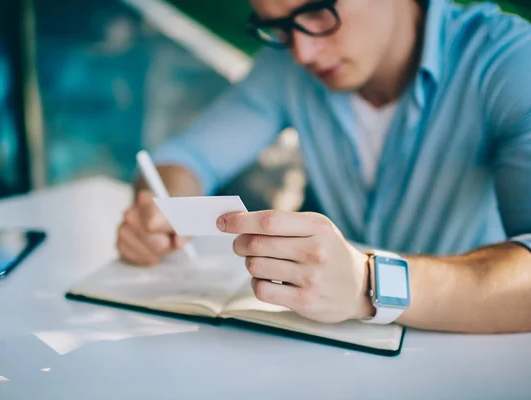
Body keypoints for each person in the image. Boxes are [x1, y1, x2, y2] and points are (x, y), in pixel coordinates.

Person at [117, 0, 531, 334]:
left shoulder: (508, 61)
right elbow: (187, 158)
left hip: (460, 350)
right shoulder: (286, 66)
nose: (303, 53)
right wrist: (159, 208)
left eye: (317, 11)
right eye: (277, 27)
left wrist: (367, 284)